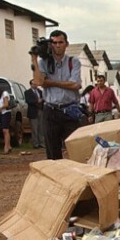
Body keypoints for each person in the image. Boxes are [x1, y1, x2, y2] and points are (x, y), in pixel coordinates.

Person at [31, 29, 82, 160]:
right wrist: (34, 59)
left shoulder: (73, 62)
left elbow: (75, 85)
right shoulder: (44, 62)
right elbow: (38, 82)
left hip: (70, 110)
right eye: (54, 43)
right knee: (53, 153)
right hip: (51, 110)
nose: (57, 45)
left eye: (60, 42)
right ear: (50, 44)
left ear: (66, 44)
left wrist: (50, 82)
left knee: (75, 149)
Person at [24, 79, 45, 149]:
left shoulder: (40, 91)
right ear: (31, 84)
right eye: (34, 84)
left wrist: (41, 100)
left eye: (36, 84)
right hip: (33, 112)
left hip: (40, 111)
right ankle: (35, 143)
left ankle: (41, 143)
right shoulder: (27, 92)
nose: (35, 85)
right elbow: (28, 101)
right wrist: (37, 101)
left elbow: (44, 99)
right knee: (34, 128)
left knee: (41, 128)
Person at [0, 84, 12, 154]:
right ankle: (8, 146)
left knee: (5, 130)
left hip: (6, 112)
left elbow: (6, 104)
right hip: (2, 113)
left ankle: (6, 147)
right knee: (5, 130)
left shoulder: (4, 94)